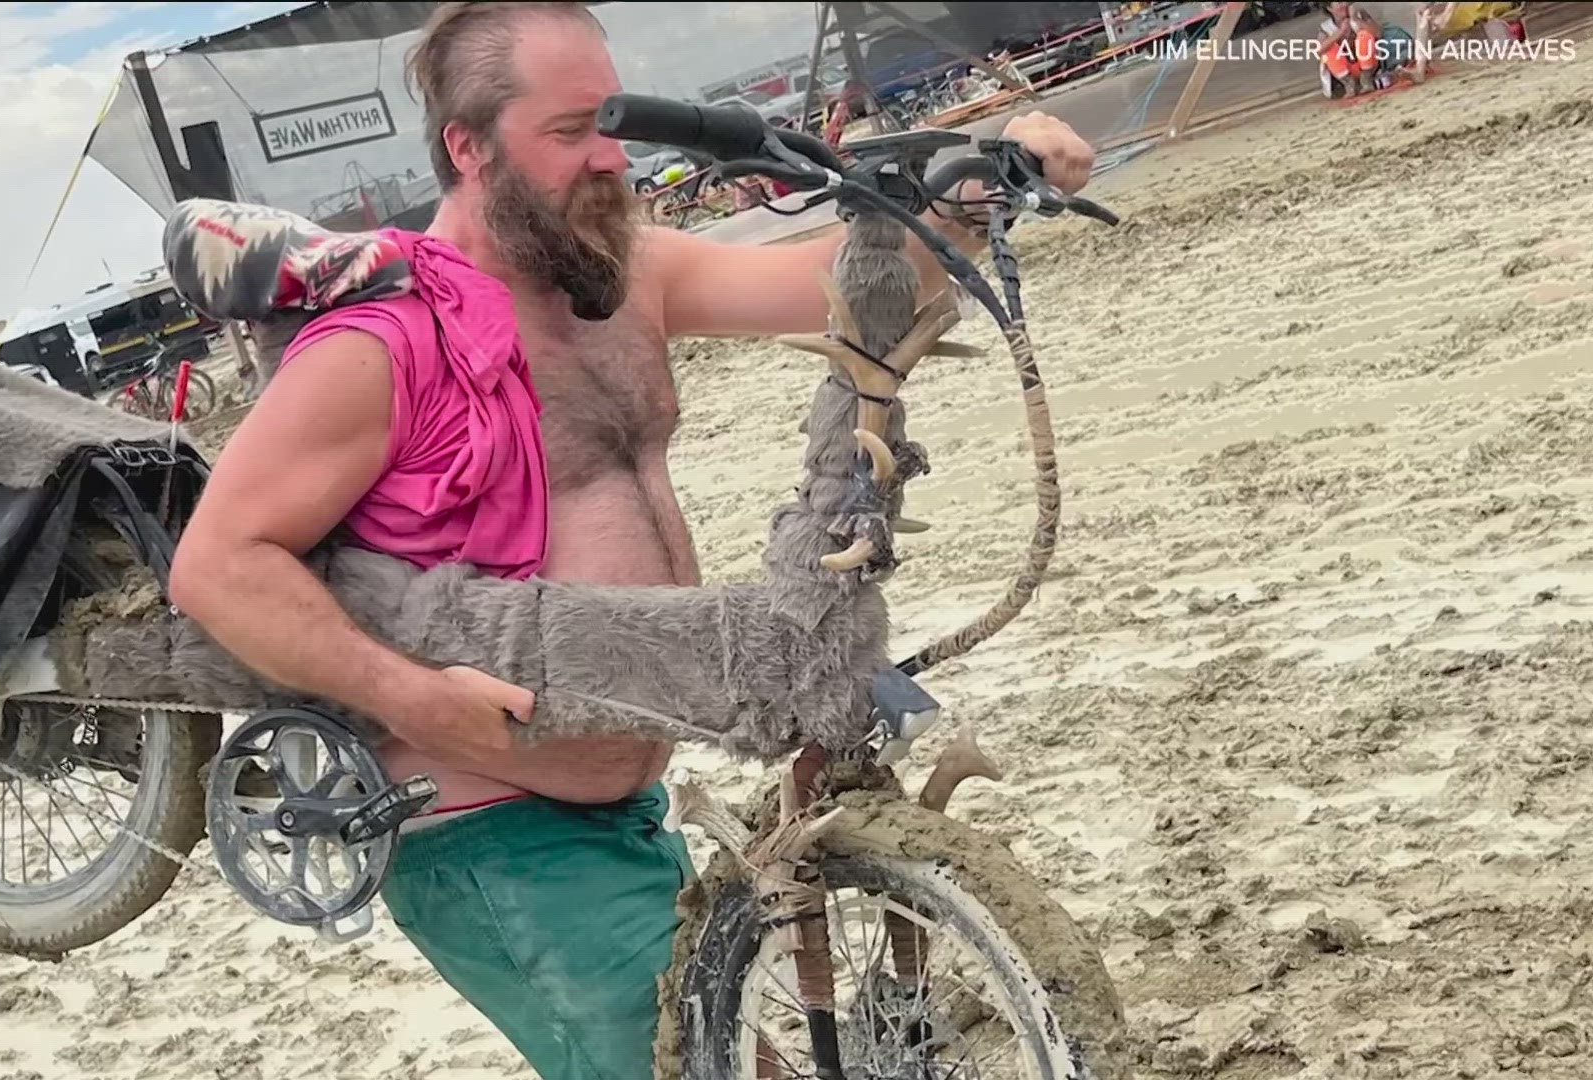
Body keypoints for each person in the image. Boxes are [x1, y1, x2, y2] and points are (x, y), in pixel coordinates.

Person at [165, 4, 1095, 1077]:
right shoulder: (387, 337)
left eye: (611, 123)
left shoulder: (626, 279)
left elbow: (839, 279)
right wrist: (414, 698)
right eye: (569, 134)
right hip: (488, 835)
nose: (609, 158)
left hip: (628, 802)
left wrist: (984, 185)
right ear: (467, 148)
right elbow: (219, 565)